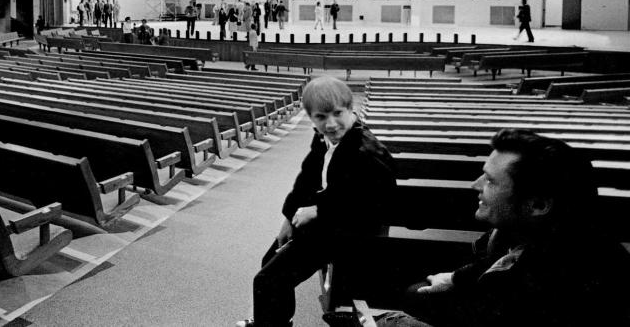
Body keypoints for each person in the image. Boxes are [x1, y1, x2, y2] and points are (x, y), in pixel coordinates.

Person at [377, 129, 630, 327]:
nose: (475, 186)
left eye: (490, 180)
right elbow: (497, 260)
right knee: (416, 295)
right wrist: (455, 278)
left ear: (538, 204)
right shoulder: (531, 230)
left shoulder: (566, 284)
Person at [237, 76, 397, 327]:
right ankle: (275, 320)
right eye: (321, 117)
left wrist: (319, 210)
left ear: (350, 109)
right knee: (269, 262)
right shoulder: (326, 138)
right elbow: (307, 179)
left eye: (337, 113)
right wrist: (289, 218)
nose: (330, 124)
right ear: (312, 117)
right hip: (329, 221)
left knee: (267, 280)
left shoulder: (367, 152)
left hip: (352, 232)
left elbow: (377, 205)